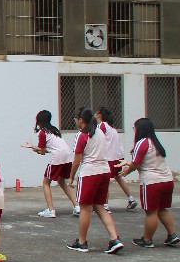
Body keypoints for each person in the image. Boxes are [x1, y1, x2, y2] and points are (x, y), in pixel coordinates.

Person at [67, 107, 124, 254]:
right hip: (104, 171)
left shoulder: (82, 135)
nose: (75, 121)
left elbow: (77, 159)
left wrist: (71, 177)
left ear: (81, 120)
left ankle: (82, 242)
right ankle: (114, 239)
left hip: (89, 173)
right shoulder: (100, 132)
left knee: (85, 208)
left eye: (76, 118)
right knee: (100, 206)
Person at [118, 118, 178, 248]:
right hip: (167, 180)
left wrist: (126, 171)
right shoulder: (155, 143)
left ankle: (147, 240)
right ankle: (172, 235)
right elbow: (144, 161)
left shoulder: (142, 143)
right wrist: (128, 163)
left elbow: (136, 164)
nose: (134, 131)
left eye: (134, 128)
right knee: (162, 208)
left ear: (140, 129)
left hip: (152, 182)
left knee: (151, 212)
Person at [22, 110, 79, 218]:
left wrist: (32, 147)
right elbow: (50, 148)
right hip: (67, 156)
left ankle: (51, 210)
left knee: (46, 183)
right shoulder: (54, 130)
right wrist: (36, 148)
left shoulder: (43, 132)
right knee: (62, 181)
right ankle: (77, 206)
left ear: (39, 120)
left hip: (57, 157)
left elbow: (42, 152)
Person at [95, 107, 138, 211]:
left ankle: (105, 205)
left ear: (99, 115)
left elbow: (98, 139)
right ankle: (131, 199)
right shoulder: (112, 128)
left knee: (104, 181)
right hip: (118, 157)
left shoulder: (102, 125)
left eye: (96, 112)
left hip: (109, 157)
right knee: (117, 176)